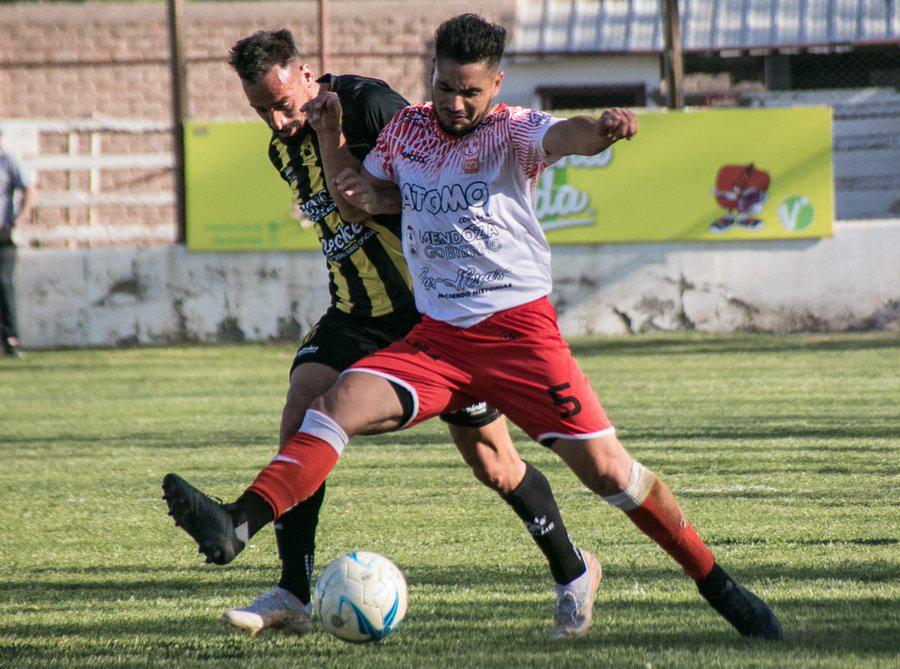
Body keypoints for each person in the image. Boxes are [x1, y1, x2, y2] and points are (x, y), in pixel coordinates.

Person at [164, 16, 782, 640]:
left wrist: (600, 129)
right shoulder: (407, 129)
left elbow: (565, 136)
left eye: (471, 92)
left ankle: (718, 586)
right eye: (444, 88)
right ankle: (237, 523)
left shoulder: (511, 131)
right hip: (436, 340)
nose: (455, 105)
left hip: (519, 339)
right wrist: (328, 132)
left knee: (608, 474)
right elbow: (361, 198)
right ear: (431, 78)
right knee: (327, 404)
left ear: (496, 85)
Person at [171, 29, 593, 639]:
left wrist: (367, 193)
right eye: (262, 111)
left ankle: (575, 573)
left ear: (307, 73)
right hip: (355, 312)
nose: (278, 120)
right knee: (304, 408)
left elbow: (442, 179)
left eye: (285, 103)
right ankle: (292, 589)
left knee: (494, 463)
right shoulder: (281, 148)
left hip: (432, 315)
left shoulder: (369, 105)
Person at [0, 146, 36, 358]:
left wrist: (20, 219)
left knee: (3, 283)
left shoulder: (9, 162)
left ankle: (11, 339)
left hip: (4, 236)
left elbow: (29, 189)